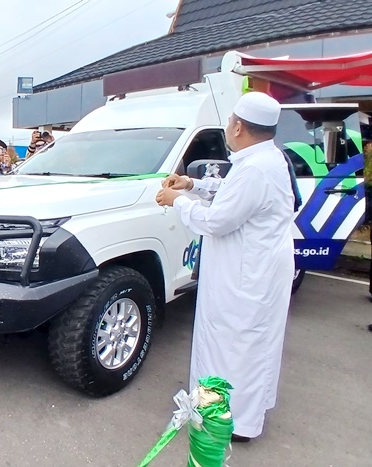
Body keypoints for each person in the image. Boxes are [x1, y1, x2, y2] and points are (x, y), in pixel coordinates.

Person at [156, 92, 296, 442]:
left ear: (238, 127)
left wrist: (178, 201)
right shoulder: (264, 159)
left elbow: (217, 221)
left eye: (230, 121)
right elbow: (231, 189)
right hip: (254, 270)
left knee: (235, 347)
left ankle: (233, 422)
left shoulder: (256, 168)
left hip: (246, 277)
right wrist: (192, 184)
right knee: (246, 344)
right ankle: (229, 412)